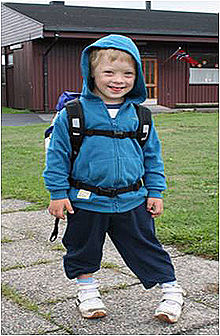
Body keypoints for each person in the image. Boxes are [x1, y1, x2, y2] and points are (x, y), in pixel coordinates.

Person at [43, 34, 183, 323]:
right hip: (86, 200)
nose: (118, 80)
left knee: (146, 246)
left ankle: (171, 290)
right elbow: (56, 156)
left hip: (132, 199)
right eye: (109, 72)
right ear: (91, 74)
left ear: (138, 76)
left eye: (128, 73)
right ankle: (87, 291)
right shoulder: (72, 115)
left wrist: (155, 191)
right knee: (83, 247)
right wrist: (57, 193)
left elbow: (152, 157)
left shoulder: (141, 116)